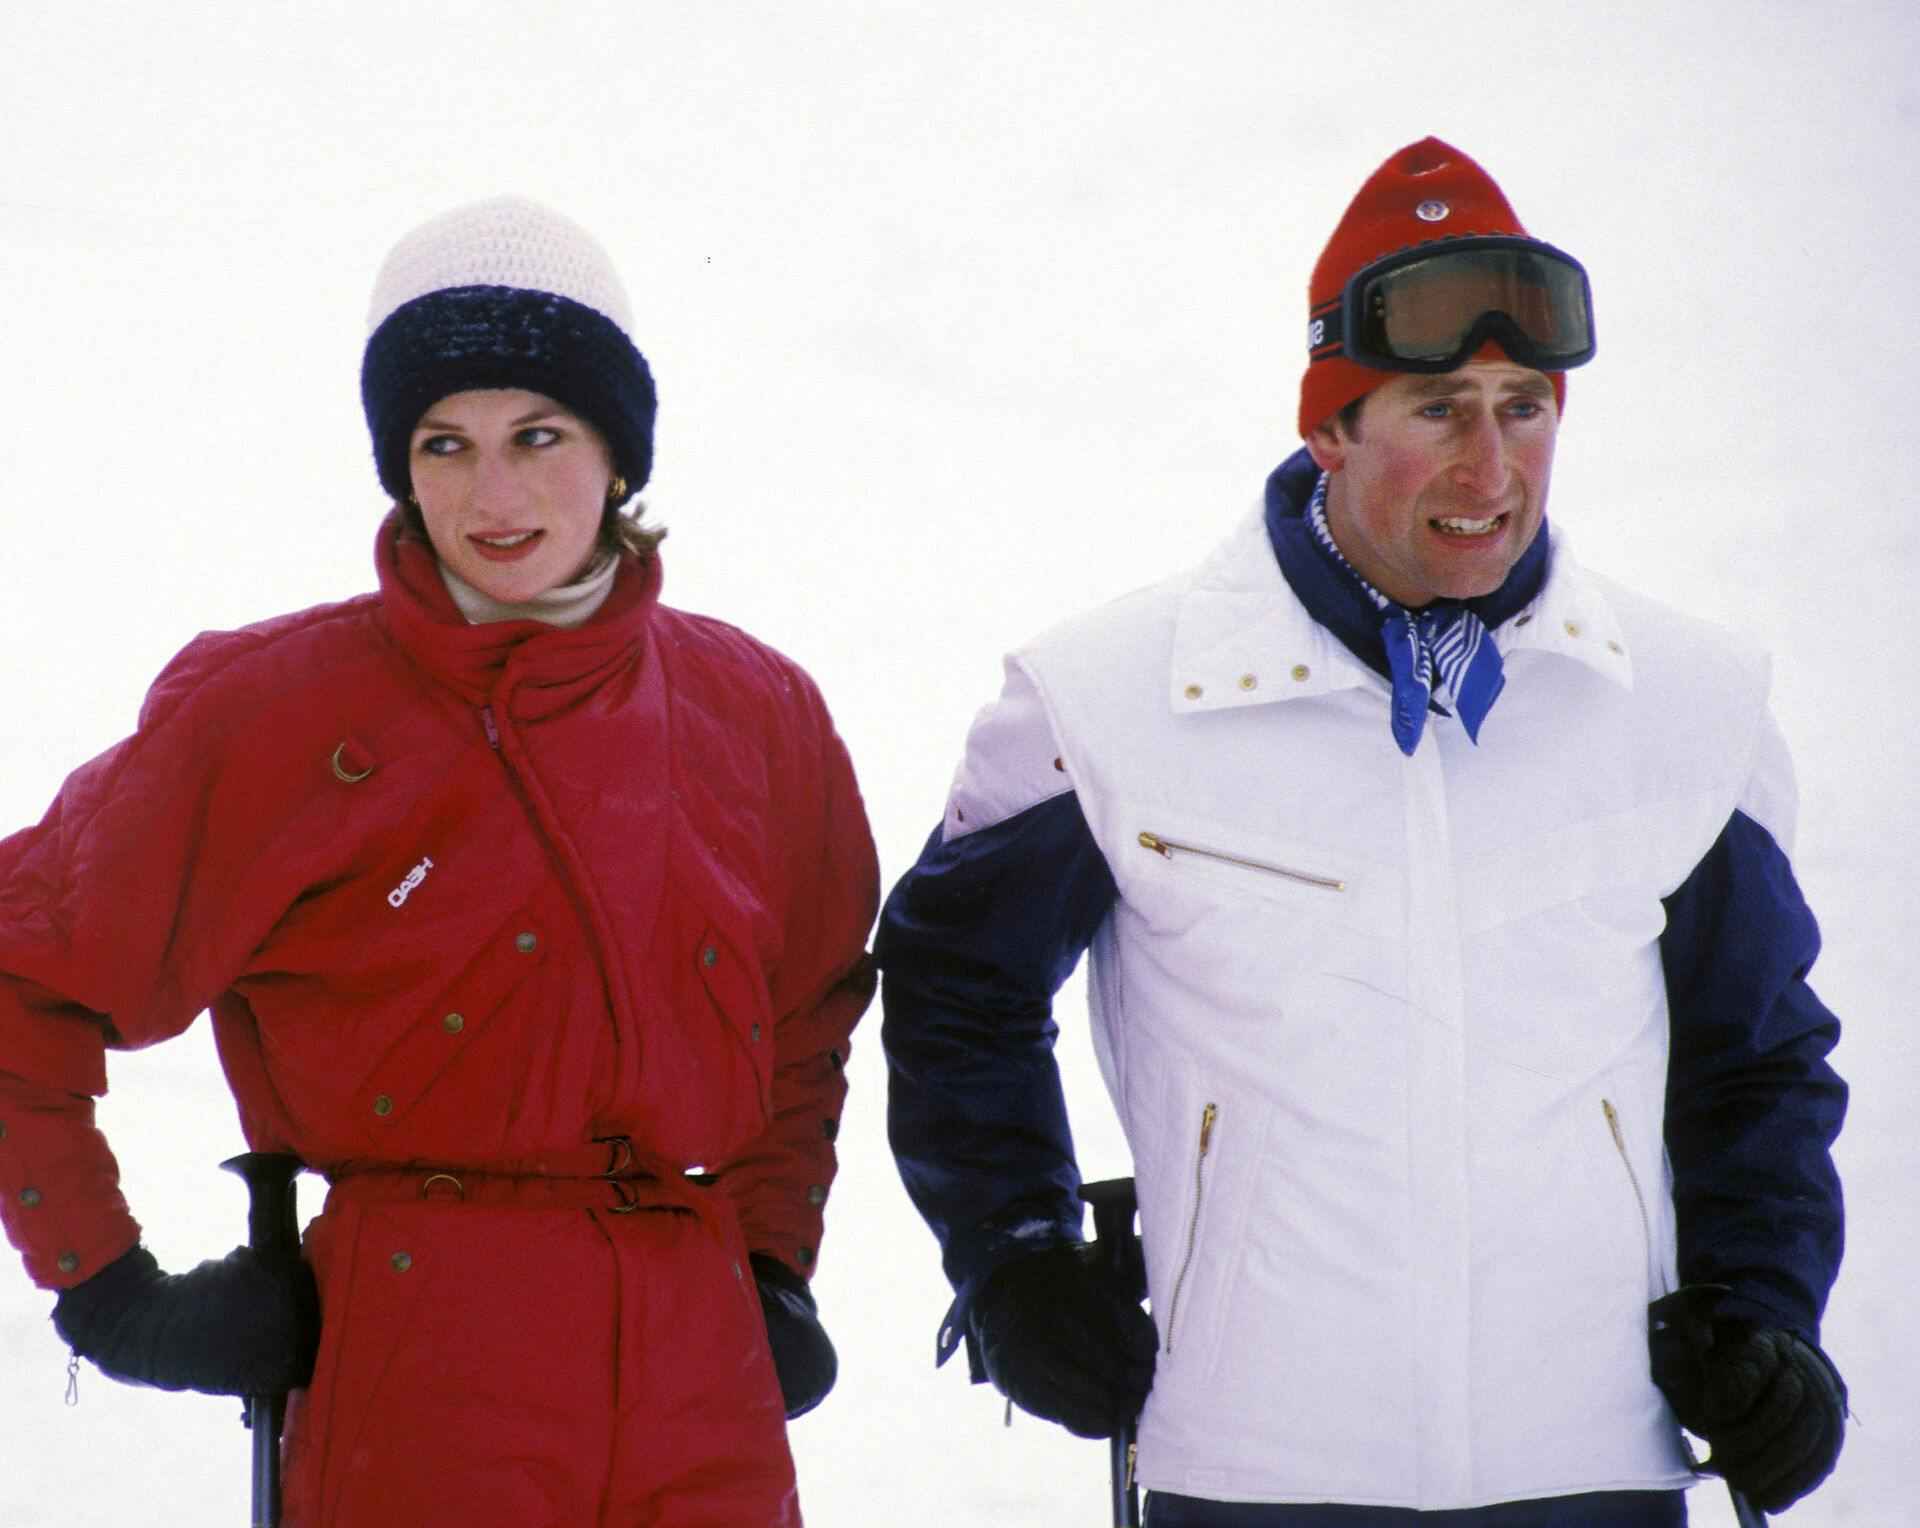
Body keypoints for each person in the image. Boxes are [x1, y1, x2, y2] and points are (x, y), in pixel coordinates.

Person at [878, 138, 1848, 1525]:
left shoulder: (1690, 706)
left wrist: (1766, 1313)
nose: (1493, 463)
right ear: (1328, 427)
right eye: (1439, 409)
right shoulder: (1105, 698)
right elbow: (955, 985)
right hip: (1250, 1477)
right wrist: (1015, 1257)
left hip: (1592, 1471)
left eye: (1525, 407)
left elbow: (1756, 1061)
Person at [0, 197, 878, 1527]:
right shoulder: (277, 708)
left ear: (618, 452)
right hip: (419, 1360)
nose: (495, 494)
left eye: (540, 436)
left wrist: (770, 1262)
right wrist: (111, 1290)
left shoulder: (756, 710)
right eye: (443, 444)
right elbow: (25, 969)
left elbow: (808, 1018)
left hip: (704, 1377)